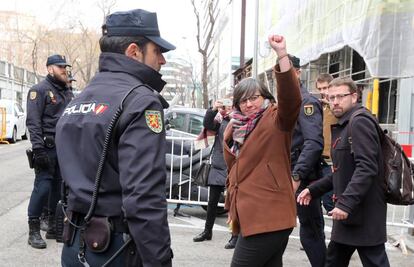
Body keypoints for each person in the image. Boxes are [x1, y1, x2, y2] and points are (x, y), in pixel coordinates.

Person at [55, 9, 174, 266]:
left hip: (75, 244)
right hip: (116, 249)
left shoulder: (79, 100)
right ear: (134, 51)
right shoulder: (140, 101)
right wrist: (160, 261)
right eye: (157, 51)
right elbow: (144, 199)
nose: (162, 60)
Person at [223, 34, 301, 267]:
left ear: (265, 97)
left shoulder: (277, 118)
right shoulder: (235, 127)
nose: (249, 104)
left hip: (269, 215)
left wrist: (282, 55)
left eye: (254, 98)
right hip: (251, 216)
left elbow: (291, 98)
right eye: (243, 101)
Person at [297, 77, 390, 267]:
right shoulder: (345, 124)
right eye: (331, 98)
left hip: (363, 214)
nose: (335, 102)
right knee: (333, 261)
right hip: (348, 216)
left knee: (374, 261)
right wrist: (314, 190)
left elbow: (367, 168)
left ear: (354, 96)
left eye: (341, 96)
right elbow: (342, 171)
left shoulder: (359, 122)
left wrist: (345, 204)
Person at [26, 54, 74, 249]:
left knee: (58, 189)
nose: (64, 70)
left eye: (65, 67)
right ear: (49, 69)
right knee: (43, 188)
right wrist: (38, 150)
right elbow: (33, 122)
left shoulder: (66, 92)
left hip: (64, 149)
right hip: (46, 148)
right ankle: (33, 230)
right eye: (60, 67)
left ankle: (53, 227)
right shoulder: (39, 90)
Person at [289, 55, 325, 267]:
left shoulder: (306, 102)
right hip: (290, 173)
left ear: (298, 72)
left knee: (310, 231)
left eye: (287, 70)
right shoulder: (288, 100)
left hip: (303, 177)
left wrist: (297, 174)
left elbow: (313, 144)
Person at [192, 99, 238, 249]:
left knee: (233, 203)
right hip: (218, 164)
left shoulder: (240, 119)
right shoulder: (220, 118)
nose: (229, 107)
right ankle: (207, 231)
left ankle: (235, 236)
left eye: (232, 103)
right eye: (227, 103)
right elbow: (208, 125)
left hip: (234, 165)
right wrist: (212, 109)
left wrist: (233, 118)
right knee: (212, 202)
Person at [316, 73, 337, 213]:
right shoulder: (319, 106)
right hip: (319, 159)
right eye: (320, 89)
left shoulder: (336, 106)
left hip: (332, 161)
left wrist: (330, 103)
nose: (323, 92)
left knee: (330, 201)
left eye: (326, 87)